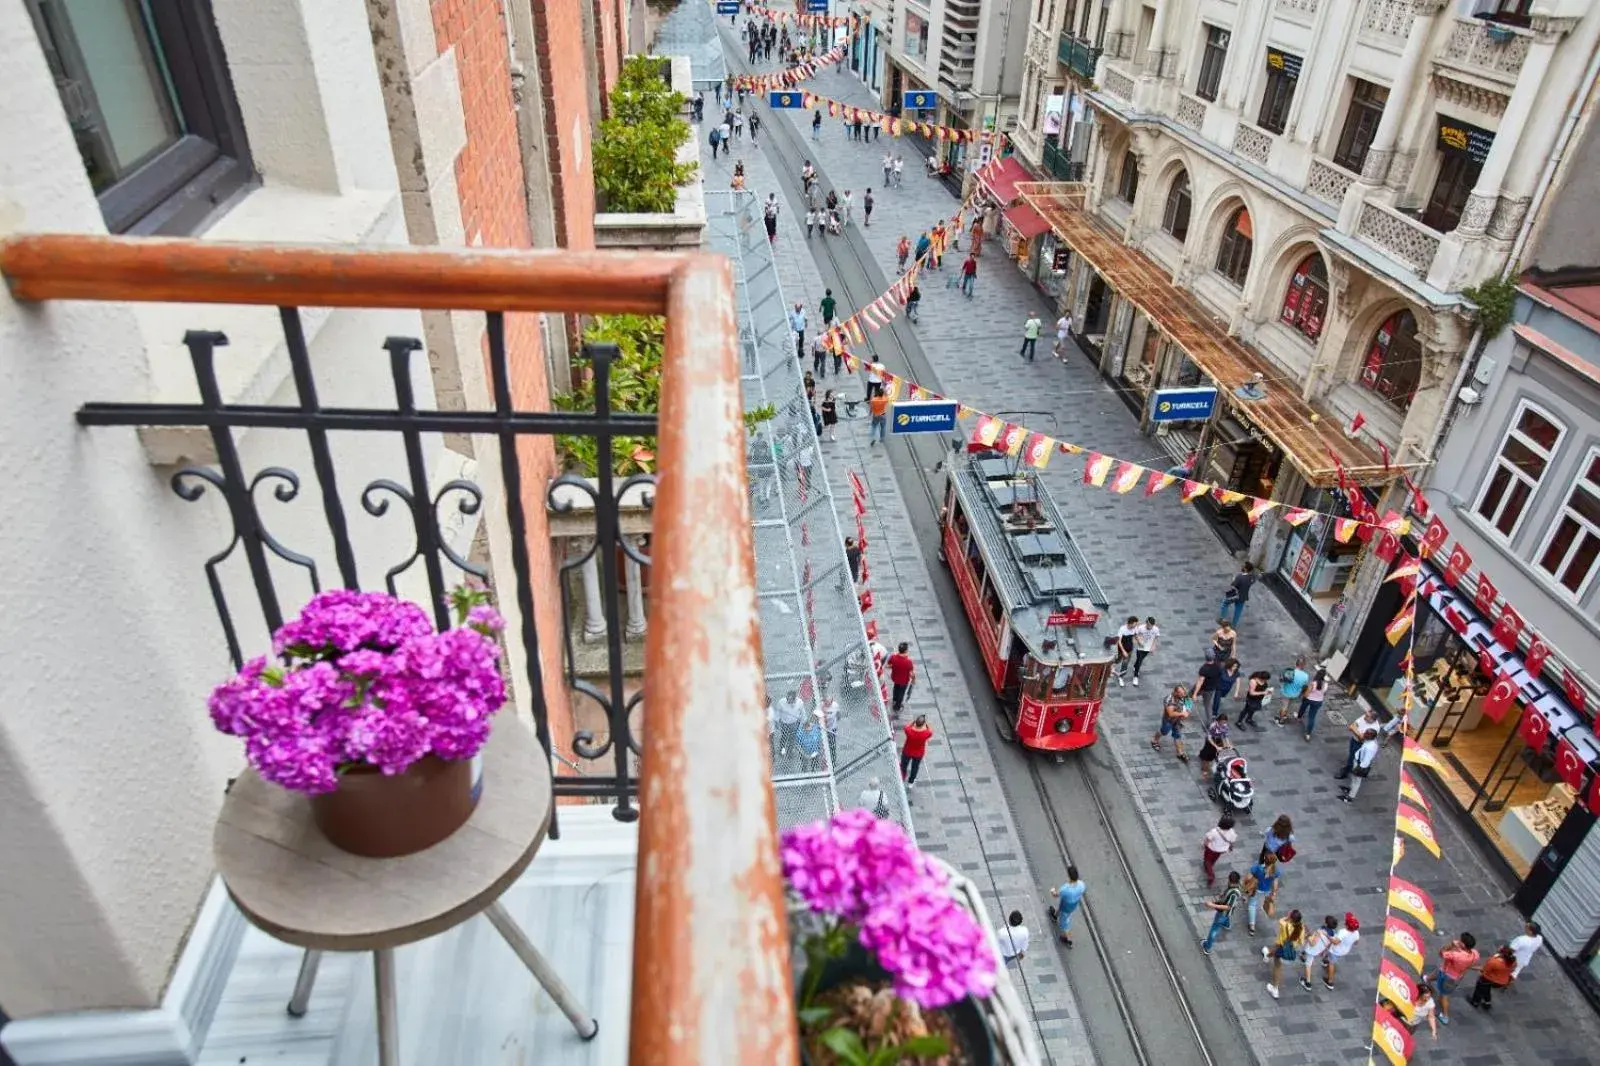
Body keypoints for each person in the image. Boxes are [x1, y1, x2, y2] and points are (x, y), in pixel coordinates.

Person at [1430, 932, 1479, 1025]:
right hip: (1457, 976)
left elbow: (1441, 953)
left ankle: (1445, 1016)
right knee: (1439, 975)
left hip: (1447, 976)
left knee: (1444, 995)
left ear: (1463, 944)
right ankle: (1428, 979)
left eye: (1460, 941)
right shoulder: (1475, 954)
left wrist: (1451, 945)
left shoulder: (1456, 955)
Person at [1262, 909, 1304, 1000]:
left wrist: (1287, 917)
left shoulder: (1285, 924)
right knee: (1274, 951)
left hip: (1281, 946)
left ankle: (1275, 989)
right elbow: (1301, 942)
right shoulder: (1301, 928)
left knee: (1277, 967)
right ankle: (1267, 955)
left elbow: (1281, 920)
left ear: (1291, 918)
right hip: (1288, 948)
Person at [1200, 870, 1243, 954]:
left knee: (1214, 929)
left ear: (1230, 881)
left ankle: (1207, 946)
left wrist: (1212, 905)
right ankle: (1226, 924)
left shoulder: (1234, 894)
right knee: (1226, 917)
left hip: (1223, 913)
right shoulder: (1237, 886)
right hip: (1227, 913)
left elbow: (1228, 907)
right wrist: (1223, 895)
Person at [1337, 706, 1383, 778]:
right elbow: (1351, 726)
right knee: (1351, 754)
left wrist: (1354, 729)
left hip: (1360, 744)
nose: (1364, 717)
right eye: (1365, 714)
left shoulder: (1375, 728)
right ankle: (1352, 768)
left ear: (1373, 720)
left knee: (1354, 757)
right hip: (1354, 739)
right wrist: (1357, 732)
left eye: (1367, 716)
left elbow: (1361, 738)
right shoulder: (1364, 717)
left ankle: (1347, 771)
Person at [1151, 684, 1192, 762]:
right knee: (1164, 732)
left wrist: (1188, 709)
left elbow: (1188, 704)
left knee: (1177, 735)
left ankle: (1180, 753)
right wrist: (1182, 713)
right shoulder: (1169, 700)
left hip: (1177, 721)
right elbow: (1171, 713)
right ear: (1176, 692)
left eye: (1184, 692)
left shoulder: (1183, 697)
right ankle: (1154, 740)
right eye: (1181, 693)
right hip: (1168, 720)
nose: (1183, 694)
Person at [1338, 729, 1380, 803]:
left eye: (1366, 733)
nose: (1364, 733)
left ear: (1370, 736)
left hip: (1359, 764)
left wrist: (1359, 768)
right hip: (1358, 761)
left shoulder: (1370, 748)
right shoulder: (1370, 741)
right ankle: (1350, 789)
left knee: (1356, 780)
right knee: (1353, 778)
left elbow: (1366, 761)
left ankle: (1350, 797)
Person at [1049, 866, 1087, 946]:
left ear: (1069, 876)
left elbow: (1056, 895)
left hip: (1066, 906)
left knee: (1065, 923)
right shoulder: (1081, 884)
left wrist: (1052, 891)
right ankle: (1055, 916)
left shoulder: (1066, 888)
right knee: (1061, 910)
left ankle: (1068, 939)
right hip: (1074, 904)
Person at [1469, 946, 1515, 1011]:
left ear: (1501, 953)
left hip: (1489, 979)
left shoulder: (1494, 961)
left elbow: (1483, 969)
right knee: (1486, 989)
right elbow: (1512, 970)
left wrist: (1469, 967)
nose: (1499, 947)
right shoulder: (1512, 962)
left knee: (1479, 989)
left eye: (1500, 948)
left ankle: (1475, 1002)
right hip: (1502, 982)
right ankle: (1487, 1003)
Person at [1322, 912, 1360, 990]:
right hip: (1344, 951)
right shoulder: (1356, 933)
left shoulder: (1343, 932)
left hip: (1335, 951)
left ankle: (1330, 982)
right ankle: (1326, 960)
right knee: (1329, 956)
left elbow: (1335, 942)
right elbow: (1356, 942)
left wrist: (1327, 936)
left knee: (1331, 964)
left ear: (1347, 925)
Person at [1300, 916, 1337, 992]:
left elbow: (1312, 943)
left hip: (1311, 950)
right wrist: (1323, 952)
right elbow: (1329, 945)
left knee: (1308, 965)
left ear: (1326, 923)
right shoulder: (1333, 934)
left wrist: (1308, 936)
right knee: (1308, 961)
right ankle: (1303, 955)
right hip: (1319, 950)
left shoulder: (1320, 932)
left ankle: (1307, 983)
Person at [1201, 814, 1238, 887]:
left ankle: (1211, 874)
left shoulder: (1215, 831)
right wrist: (1231, 847)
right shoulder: (1232, 832)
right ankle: (1211, 865)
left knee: (1207, 860)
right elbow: (1232, 841)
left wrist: (1204, 845)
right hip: (1222, 850)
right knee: (1215, 858)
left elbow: (1208, 839)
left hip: (1211, 849)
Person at [1246, 853, 1279, 935]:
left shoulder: (1258, 868)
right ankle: (1265, 908)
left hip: (1256, 889)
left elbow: (1248, 878)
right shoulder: (1276, 871)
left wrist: (1246, 885)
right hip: (1267, 890)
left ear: (1264, 859)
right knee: (1267, 901)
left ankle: (1252, 926)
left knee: (1252, 905)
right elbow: (1275, 884)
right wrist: (1274, 893)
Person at [1198, 710, 1231, 785]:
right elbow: (1209, 738)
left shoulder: (1225, 726)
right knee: (1207, 756)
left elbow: (1225, 736)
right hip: (1211, 740)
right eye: (1222, 722)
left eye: (1224, 722)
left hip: (1218, 740)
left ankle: (1203, 755)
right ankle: (1204, 769)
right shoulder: (1213, 726)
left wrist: (1228, 744)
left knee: (1215, 755)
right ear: (1218, 721)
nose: (1223, 724)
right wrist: (1216, 746)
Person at [900, 714, 933, 788]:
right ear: (923, 724)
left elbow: (906, 727)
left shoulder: (909, 731)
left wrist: (913, 722)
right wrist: (927, 725)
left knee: (903, 766)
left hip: (907, 751)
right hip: (918, 754)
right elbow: (930, 731)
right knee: (915, 767)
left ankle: (902, 777)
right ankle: (911, 782)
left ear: (916, 723)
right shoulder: (926, 733)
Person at [1276, 656, 1309, 726]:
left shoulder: (1290, 672)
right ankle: (1285, 715)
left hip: (1286, 693)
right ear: (1304, 665)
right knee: (1289, 706)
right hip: (1296, 694)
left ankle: (1281, 721)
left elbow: (1281, 680)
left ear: (1296, 663)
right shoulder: (1306, 676)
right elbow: (1304, 686)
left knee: (1284, 706)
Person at [1299, 664, 1329, 740]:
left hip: (1309, 699)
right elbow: (1324, 693)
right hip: (1318, 702)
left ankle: (1299, 717)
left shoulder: (1313, 683)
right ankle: (1308, 734)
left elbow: (1307, 693)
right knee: (1312, 717)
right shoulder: (1325, 684)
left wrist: (1303, 696)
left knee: (1303, 706)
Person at [774, 689, 806, 757]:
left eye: (790, 699)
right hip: (784, 724)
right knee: (784, 737)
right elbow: (777, 712)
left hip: (794, 723)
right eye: (787, 698)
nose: (788, 701)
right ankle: (782, 750)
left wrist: (804, 722)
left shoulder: (799, 703)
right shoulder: (781, 702)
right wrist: (776, 721)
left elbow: (803, 713)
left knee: (792, 738)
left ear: (794, 699)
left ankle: (790, 752)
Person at [1129, 616, 1160, 685]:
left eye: (1151, 625)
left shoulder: (1156, 629)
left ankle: (1135, 666)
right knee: (1140, 660)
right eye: (1149, 625)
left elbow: (1156, 637)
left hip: (1148, 647)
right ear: (1146, 623)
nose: (1150, 627)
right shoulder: (1141, 628)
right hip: (1140, 647)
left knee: (1140, 659)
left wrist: (1153, 646)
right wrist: (1139, 641)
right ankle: (1135, 676)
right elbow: (1135, 634)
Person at [887, 642, 916, 713]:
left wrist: (894, 666)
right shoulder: (908, 662)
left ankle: (894, 700)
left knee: (896, 688)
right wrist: (914, 679)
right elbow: (911, 673)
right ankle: (897, 707)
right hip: (904, 680)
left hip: (895, 678)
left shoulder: (893, 657)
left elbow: (888, 665)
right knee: (901, 693)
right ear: (905, 651)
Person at [1112, 614, 1139, 686]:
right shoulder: (1122, 629)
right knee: (1118, 660)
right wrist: (1123, 651)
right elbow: (1119, 641)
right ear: (1130, 623)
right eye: (1135, 624)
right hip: (1121, 649)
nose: (1135, 626)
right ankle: (1112, 666)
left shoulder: (1135, 628)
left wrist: (1139, 641)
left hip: (1129, 649)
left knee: (1125, 664)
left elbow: (1136, 635)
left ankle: (1121, 677)